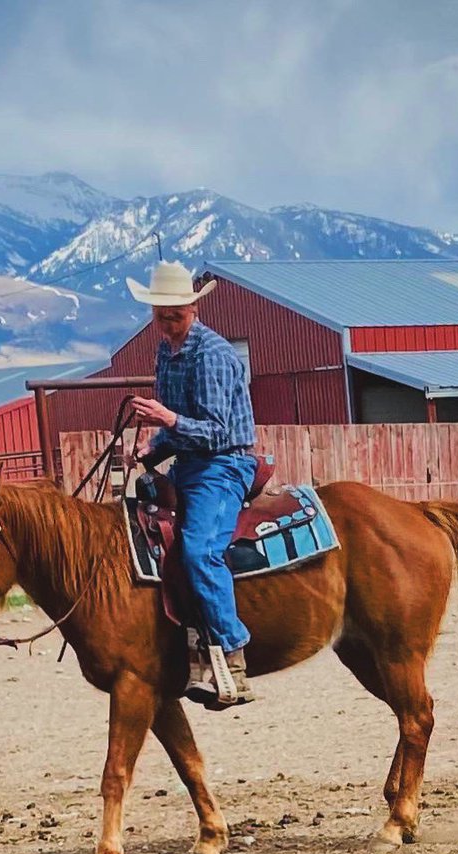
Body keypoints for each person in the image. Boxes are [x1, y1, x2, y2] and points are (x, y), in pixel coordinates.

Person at [126, 260, 257, 706]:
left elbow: (218, 430)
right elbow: (179, 429)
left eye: (175, 308)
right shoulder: (166, 350)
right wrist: (153, 449)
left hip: (222, 464)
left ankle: (233, 655)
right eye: (160, 309)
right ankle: (183, 647)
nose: (168, 316)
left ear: (192, 307)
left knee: (201, 551)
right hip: (188, 462)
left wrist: (167, 419)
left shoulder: (213, 354)